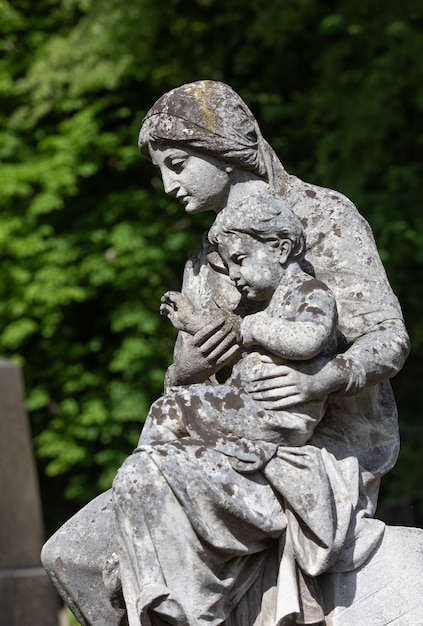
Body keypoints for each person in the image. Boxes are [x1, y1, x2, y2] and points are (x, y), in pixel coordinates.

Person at [41, 80, 410, 626]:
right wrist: (187, 367)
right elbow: (182, 383)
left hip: (318, 447)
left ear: (223, 151)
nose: (168, 185)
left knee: (152, 478)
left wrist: (325, 379)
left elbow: (388, 337)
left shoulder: (321, 217)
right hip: (222, 439)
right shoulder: (202, 265)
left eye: (177, 164)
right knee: (69, 555)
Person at [148, 192, 338, 451]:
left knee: (169, 409)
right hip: (250, 405)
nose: (234, 276)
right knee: (170, 409)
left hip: (276, 414)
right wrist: (193, 321)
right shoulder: (263, 304)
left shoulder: (310, 292)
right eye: (228, 267)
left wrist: (250, 326)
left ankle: (145, 466)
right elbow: (233, 340)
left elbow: (308, 339)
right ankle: (149, 465)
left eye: (239, 261)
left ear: (281, 249)